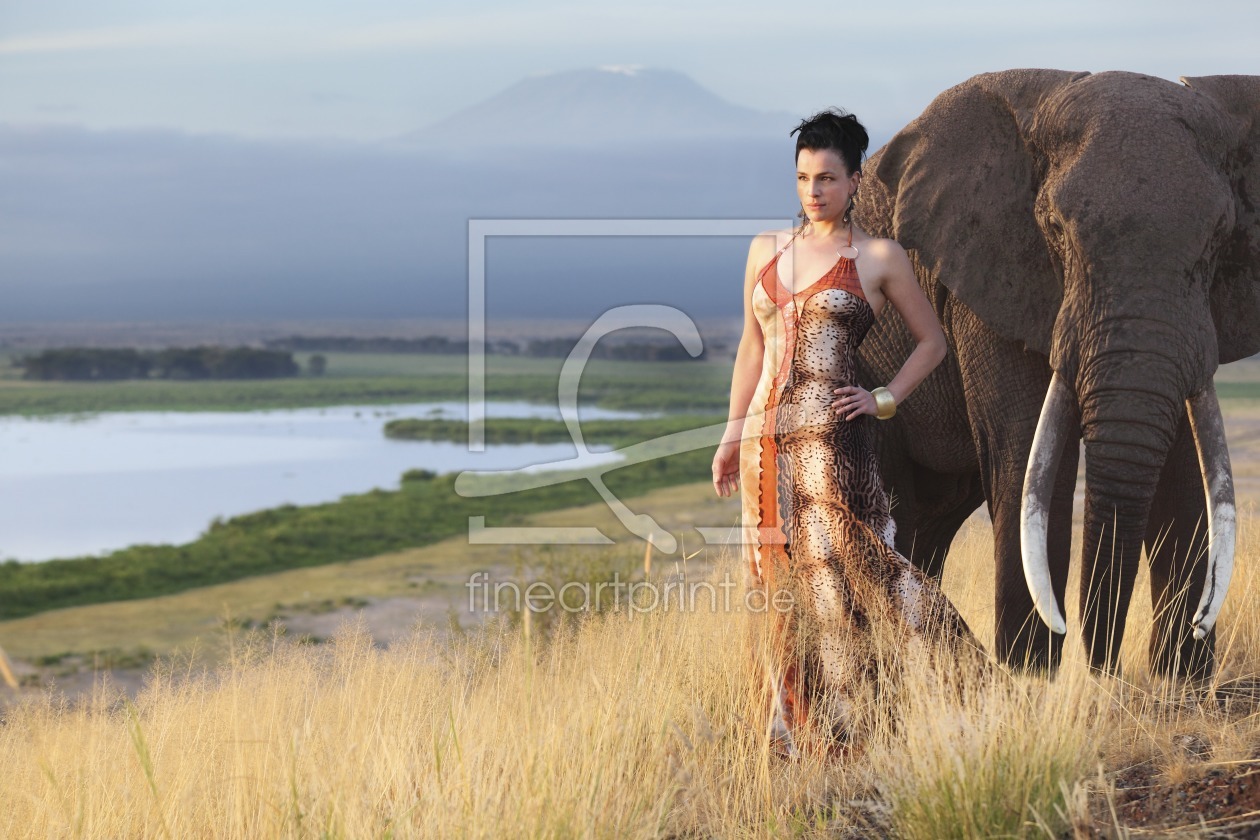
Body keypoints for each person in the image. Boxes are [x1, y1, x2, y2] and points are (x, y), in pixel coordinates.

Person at [710, 108, 983, 758]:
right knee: (770, 580)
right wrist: (729, 435)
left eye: (828, 177)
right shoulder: (764, 248)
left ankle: (868, 725)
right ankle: (785, 731)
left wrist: (884, 398)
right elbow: (752, 348)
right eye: (804, 176)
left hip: (833, 451)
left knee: (849, 577)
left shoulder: (880, 258)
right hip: (762, 452)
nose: (814, 191)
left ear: (856, 180)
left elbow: (933, 343)